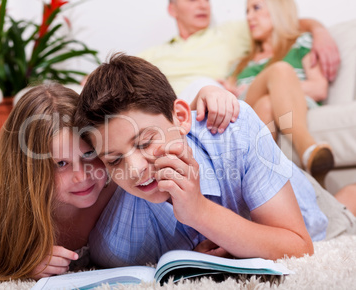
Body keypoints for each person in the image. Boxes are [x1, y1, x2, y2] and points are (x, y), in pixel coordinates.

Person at [75, 53, 356, 268]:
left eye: (146, 142)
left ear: (182, 118)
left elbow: (298, 248)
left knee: (345, 209)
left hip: (307, 207)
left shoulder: (235, 130)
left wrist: (199, 212)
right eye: (114, 161)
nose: (135, 170)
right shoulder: (116, 243)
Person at [0, 82, 239, 281]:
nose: (83, 176)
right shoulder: (7, 211)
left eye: (90, 154)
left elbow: (149, 113)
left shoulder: (122, 174)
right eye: (61, 164)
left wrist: (207, 91)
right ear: (29, 170)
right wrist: (21, 265)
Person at [222, 0, 334, 186]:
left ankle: (264, 186)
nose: (249, 17)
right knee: (280, 71)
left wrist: (278, 89)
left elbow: (319, 88)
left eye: (256, 8)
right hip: (248, 110)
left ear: (278, 9)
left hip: (291, 105)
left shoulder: (301, 43)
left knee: (267, 101)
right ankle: (308, 150)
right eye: (247, 11)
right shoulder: (240, 64)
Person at [138, 0, 340, 99]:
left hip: (210, 101)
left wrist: (320, 31)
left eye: (206, 0)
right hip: (168, 106)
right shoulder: (151, 55)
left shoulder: (231, 33)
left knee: (206, 85)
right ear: (172, 10)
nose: (203, 5)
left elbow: (283, 22)